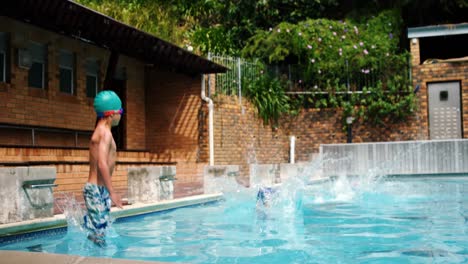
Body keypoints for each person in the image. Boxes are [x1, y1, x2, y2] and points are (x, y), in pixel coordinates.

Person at [83, 90, 124, 247]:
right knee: (100, 234)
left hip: (99, 191)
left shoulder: (102, 131)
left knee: (99, 232)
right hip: (95, 191)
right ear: (111, 113)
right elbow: (102, 163)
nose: (121, 115)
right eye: (121, 111)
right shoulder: (104, 133)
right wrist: (113, 192)